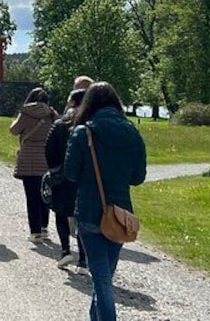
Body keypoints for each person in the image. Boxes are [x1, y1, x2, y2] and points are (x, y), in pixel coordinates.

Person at [64, 82, 147, 321]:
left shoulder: (84, 133)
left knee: (101, 280)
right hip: (119, 216)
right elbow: (138, 177)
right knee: (104, 277)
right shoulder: (132, 132)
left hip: (90, 211)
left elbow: (71, 173)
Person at [44, 88, 88, 272]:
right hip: (83, 178)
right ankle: (83, 261)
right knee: (81, 218)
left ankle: (65, 251)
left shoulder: (61, 123)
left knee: (61, 213)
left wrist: (54, 169)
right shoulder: (90, 125)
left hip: (62, 177)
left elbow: (48, 148)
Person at [10, 87, 57, 241]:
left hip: (29, 158)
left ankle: (35, 231)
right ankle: (44, 227)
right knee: (45, 194)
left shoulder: (26, 113)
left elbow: (14, 130)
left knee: (32, 197)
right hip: (46, 158)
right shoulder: (52, 114)